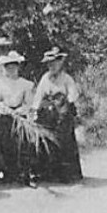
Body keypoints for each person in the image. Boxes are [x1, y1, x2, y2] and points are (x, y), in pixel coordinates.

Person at [29, 47, 83, 185]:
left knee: (64, 142)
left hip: (62, 113)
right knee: (45, 140)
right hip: (47, 114)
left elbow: (73, 94)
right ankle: (48, 172)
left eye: (54, 63)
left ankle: (66, 174)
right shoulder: (44, 78)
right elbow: (38, 96)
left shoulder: (66, 78)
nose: (51, 66)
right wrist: (34, 110)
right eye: (49, 63)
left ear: (60, 63)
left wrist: (65, 104)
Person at [0, 49, 32, 183]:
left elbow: (29, 103)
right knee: (5, 145)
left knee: (22, 145)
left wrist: (20, 111)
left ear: (18, 66)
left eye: (14, 66)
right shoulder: (1, 84)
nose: (11, 69)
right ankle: (8, 173)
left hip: (20, 117)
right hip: (5, 117)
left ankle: (23, 173)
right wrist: (3, 108)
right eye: (8, 66)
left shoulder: (25, 84)